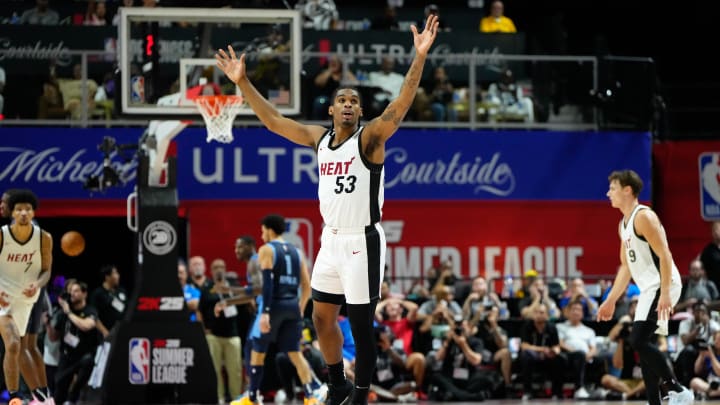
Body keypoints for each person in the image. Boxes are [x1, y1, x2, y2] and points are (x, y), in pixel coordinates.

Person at [215, 14, 439, 405]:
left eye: (354, 101)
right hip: (330, 240)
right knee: (320, 318)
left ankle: (361, 396)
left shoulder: (370, 140)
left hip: (362, 240)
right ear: (332, 110)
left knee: (360, 326)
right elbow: (273, 121)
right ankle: (337, 385)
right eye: (342, 100)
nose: (348, 104)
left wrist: (418, 57)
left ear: (360, 111)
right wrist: (241, 82)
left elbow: (400, 105)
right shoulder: (319, 139)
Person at [597, 169, 694, 405]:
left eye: (613, 188)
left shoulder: (644, 217)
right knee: (644, 346)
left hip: (662, 284)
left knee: (638, 340)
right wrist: (610, 299)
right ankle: (655, 402)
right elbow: (625, 268)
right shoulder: (623, 225)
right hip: (649, 289)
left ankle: (677, 388)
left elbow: (665, 254)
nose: (608, 193)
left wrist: (664, 293)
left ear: (627, 190)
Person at [225, 214, 322, 405]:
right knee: (294, 352)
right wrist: (301, 308)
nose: (261, 236)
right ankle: (311, 395)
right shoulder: (296, 251)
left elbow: (267, 284)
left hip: (273, 305)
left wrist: (266, 312)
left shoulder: (266, 250)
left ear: (269, 230)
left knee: (256, 350)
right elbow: (307, 285)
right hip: (293, 306)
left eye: (262, 231)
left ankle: (252, 397)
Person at [0, 189, 54, 405]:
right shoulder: (3, 235)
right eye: (19, 209)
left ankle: (43, 396)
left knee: (27, 347)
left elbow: (46, 271)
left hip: (26, 299)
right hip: (2, 298)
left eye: (27, 209)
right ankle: (15, 397)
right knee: (14, 345)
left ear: (33, 213)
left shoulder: (43, 238)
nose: (23, 213)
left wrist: (38, 284)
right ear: (14, 212)